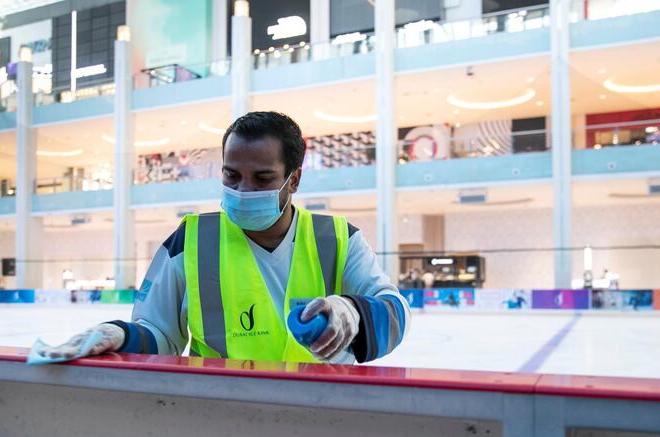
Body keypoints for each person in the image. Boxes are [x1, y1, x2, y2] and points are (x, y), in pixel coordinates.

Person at [40, 111, 410, 364]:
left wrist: (354, 313)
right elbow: (160, 336)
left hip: (322, 413)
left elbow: (395, 312)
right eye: (231, 175)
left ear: (293, 180)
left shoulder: (338, 238)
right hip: (220, 413)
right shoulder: (191, 240)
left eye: (262, 178)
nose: (243, 189)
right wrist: (120, 335)